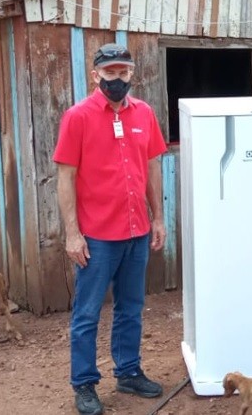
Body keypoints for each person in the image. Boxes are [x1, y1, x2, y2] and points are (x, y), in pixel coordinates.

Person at [54, 43, 167, 415]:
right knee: (87, 313)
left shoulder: (144, 113)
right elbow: (66, 177)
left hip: (136, 231)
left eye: (123, 72)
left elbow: (152, 167)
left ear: (132, 74)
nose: (117, 79)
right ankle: (84, 384)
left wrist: (158, 217)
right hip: (98, 236)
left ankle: (129, 372)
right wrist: (73, 233)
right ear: (95, 75)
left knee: (131, 307)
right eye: (109, 72)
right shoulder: (77, 117)